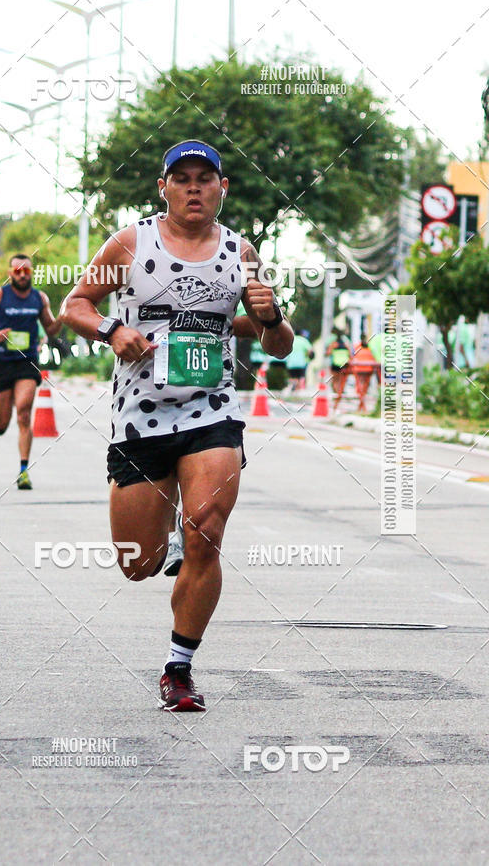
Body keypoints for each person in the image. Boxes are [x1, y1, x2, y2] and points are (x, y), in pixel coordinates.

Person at [61, 139, 293, 712]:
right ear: (163, 187)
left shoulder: (241, 253)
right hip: (141, 415)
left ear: (222, 188)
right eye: (182, 178)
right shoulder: (130, 243)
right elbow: (75, 305)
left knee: (206, 530)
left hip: (212, 410)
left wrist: (271, 317)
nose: (194, 187)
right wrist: (113, 331)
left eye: (204, 179)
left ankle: (179, 668)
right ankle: (161, 538)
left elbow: (280, 346)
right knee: (137, 563)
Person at [0, 254, 62, 490]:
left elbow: (51, 328)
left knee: (24, 414)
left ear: (31, 273)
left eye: (26, 270)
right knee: (2, 422)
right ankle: (0, 422)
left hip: (27, 361)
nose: (22, 274)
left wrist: (65, 314)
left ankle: (23, 470)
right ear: (10, 273)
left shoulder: (39, 298)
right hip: (2, 362)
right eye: (17, 270)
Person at [351, 334, 379, 413]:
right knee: (365, 387)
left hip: (359, 369)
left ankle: (362, 406)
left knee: (360, 387)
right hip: (368, 369)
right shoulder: (370, 348)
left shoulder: (356, 347)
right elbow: (374, 357)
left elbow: (352, 356)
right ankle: (363, 407)